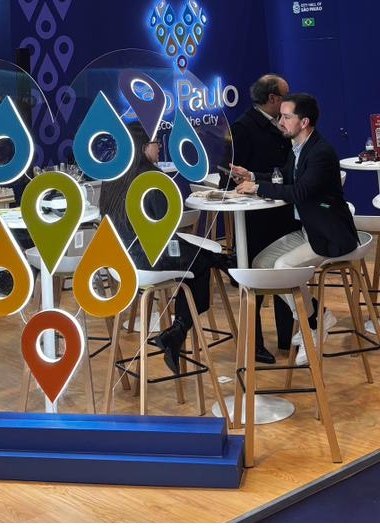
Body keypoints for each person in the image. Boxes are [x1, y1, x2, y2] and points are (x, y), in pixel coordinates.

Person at [232, 93, 359, 365]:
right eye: (280, 116)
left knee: (283, 267)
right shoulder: (297, 149)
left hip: (329, 234)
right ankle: (317, 316)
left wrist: (258, 188)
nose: (280, 121)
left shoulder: (321, 152)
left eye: (287, 117)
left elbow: (299, 191)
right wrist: (252, 175)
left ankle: (310, 325)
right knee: (261, 264)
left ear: (304, 122)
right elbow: (284, 177)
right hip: (309, 231)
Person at [99, 123, 218, 375]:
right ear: (143, 147)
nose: (160, 146)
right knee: (203, 262)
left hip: (121, 261)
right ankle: (177, 331)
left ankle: (176, 332)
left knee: (203, 258)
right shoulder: (152, 178)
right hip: (149, 259)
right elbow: (166, 225)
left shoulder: (112, 176)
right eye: (156, 142)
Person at [226, 74, 297, 363]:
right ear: (273, 99)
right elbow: (229, 172)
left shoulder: (282, 125)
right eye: (285, 95)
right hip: (255, 217)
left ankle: (288, 336)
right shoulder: (243, 127)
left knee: (285, 273)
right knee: (255, 277)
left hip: (282, 210)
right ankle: (253, 342)